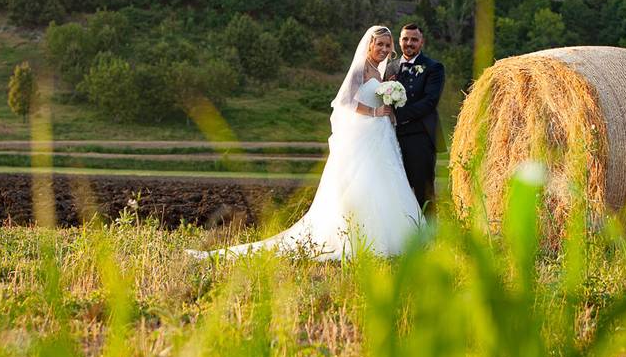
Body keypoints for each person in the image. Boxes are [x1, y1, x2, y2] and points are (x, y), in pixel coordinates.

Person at [188, 26, 423, 261]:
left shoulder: (380, 70)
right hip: (367, 132)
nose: (383, 48)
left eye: (386, 44)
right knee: (364, 182)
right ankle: (361, 237)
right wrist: (375, 112)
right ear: (369, 45)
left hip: (381, 133)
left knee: (385, 180)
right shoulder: (361, 67)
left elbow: (374, 96)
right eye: (379, 44)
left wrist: (388, 108)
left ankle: (397, 237)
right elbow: (345, 102)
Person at [385, 24, 446, 217]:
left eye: (414, 39)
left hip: (420, 137)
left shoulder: (433, 67)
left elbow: (430, 102)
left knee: (423, 190)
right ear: (399, 41)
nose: (409, 43)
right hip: (391, 137)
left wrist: (398, 116)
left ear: (422, 42)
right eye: (405, 39)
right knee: (395, 189)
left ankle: (430, 238)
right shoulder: (389, 68)